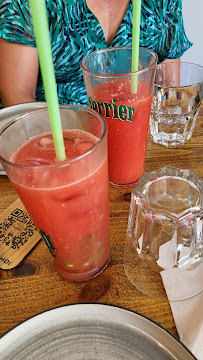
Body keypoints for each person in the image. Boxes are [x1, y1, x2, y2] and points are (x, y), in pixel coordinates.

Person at [0, 0, 192, 109]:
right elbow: (17, 97)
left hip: (135, 133)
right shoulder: (29, 4)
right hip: (55, 139)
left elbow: (168, 84)